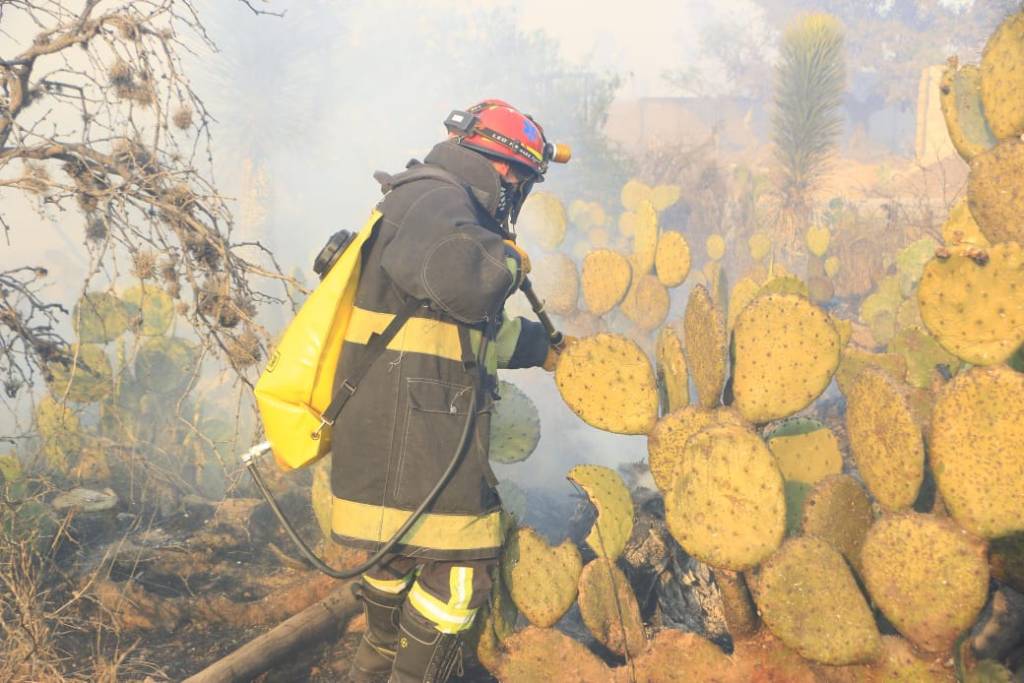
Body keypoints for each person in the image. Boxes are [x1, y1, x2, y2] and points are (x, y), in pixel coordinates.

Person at [330, 100, 572, 683]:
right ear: (504, 167)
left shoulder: (427, 202)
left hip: (399, 428)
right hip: (418, 434)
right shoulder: (437, 202)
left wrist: (545, 350)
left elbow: (458, 329)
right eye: (522, 179)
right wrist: (507, 263)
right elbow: (463, 281)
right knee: (459, 578)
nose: (518, 192)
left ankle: (375, 667)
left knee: (394, 561)